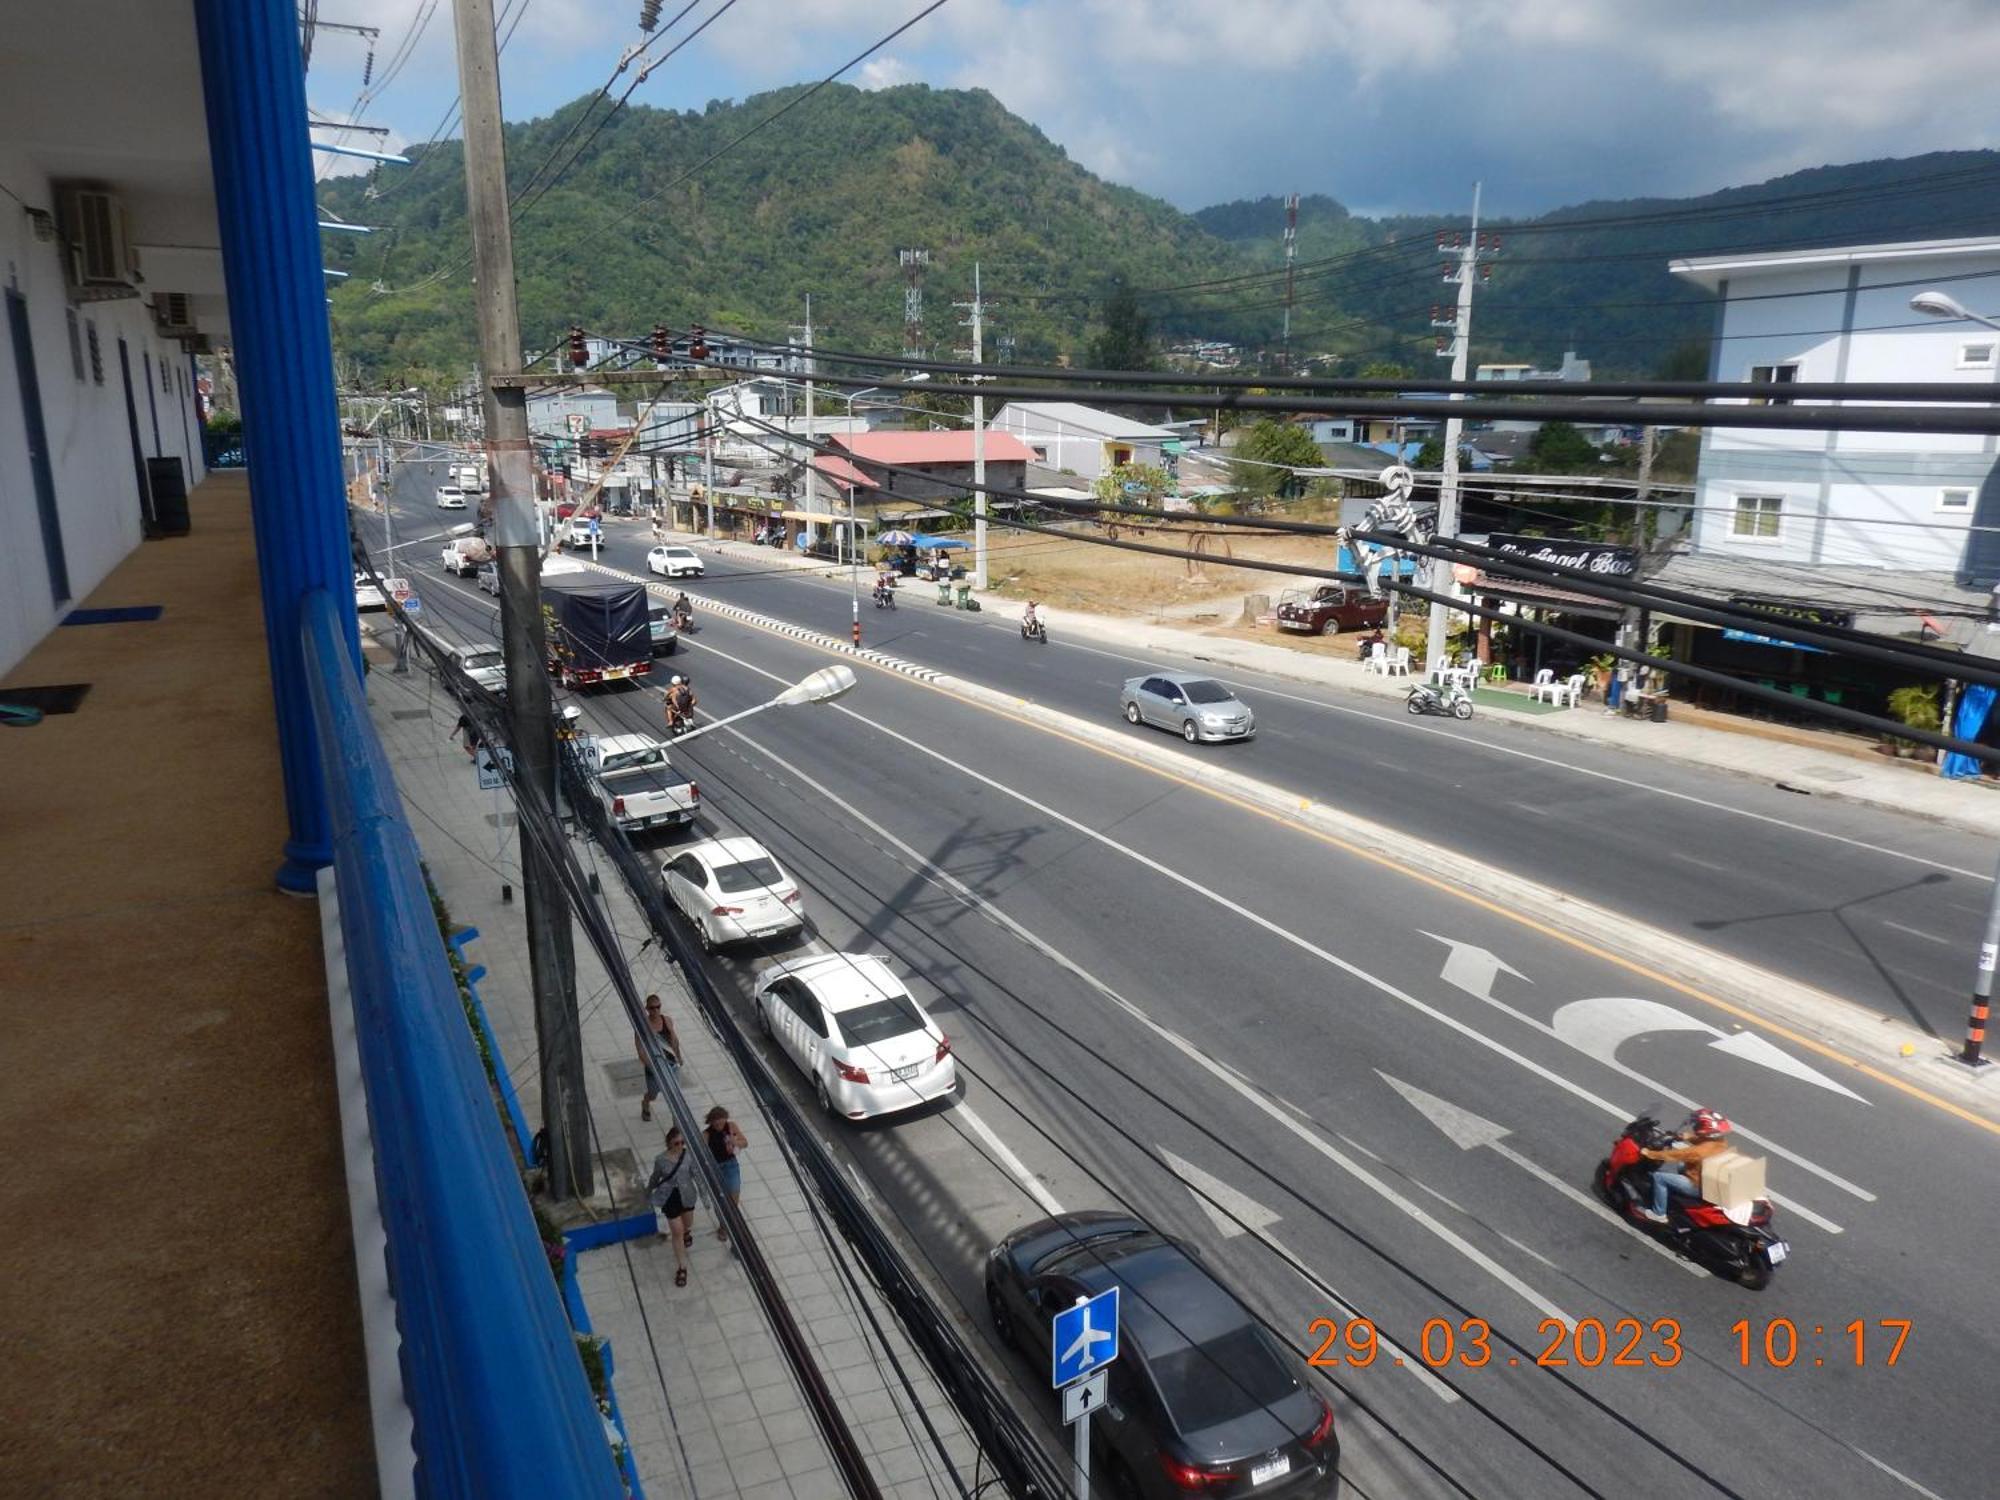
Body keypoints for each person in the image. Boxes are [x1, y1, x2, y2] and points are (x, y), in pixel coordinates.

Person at [1638, 1107, 1732, 1222]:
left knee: (1659, 1177)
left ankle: (1659, 1213)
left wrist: (1649, 1153)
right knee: (1682, 1166)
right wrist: (1686, 1137)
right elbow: (1704, 1141)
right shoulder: (1720, 1142)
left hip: (1697, 1186)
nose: (1695, 1126)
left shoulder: (1698, 1151)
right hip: (1709, 1182)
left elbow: (1674, 1155)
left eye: (1698, 1125)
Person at [646, 1127, 699, 1287]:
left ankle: (687, 1232)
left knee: (687, 1224)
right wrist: (648, 1191)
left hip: (687, 1195)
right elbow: (655, 1177)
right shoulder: (661, 1159)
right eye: (677, 1143)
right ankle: (682, 1267)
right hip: (669, 1197)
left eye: (683, 1143)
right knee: (677, 1232)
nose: (680, 1146)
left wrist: (705, 1195)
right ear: (669, 1143)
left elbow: (696, 1175)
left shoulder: (689, 1156)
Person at [704, 1104, 748, 1243]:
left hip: (731, 1166)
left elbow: (745, 1143)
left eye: (722, 1121)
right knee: (721, 1200)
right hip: (715, 1168)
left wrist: (735, 1142)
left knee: (734, 1199)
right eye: (716, 1122)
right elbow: (702, 1154)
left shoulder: (731, 1126)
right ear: (711, 1122)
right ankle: (723, 1225)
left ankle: (726, 1226)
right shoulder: (706, 1134)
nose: (719, 1124)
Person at [636, 994, 681, 1124]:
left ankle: (677, 1124)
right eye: (652, 1008)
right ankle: (645, 1104)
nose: (655, 1010)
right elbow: (640, 1052)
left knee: (675, 1094)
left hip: (672, 1065)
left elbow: (674, 1040)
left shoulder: (667, 1020)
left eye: (658, 1007)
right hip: (654, 1067)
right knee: (653, 1094)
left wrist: (679, 1056)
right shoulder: (642, 1026)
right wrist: (652, 1067)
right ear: (647, 1009)